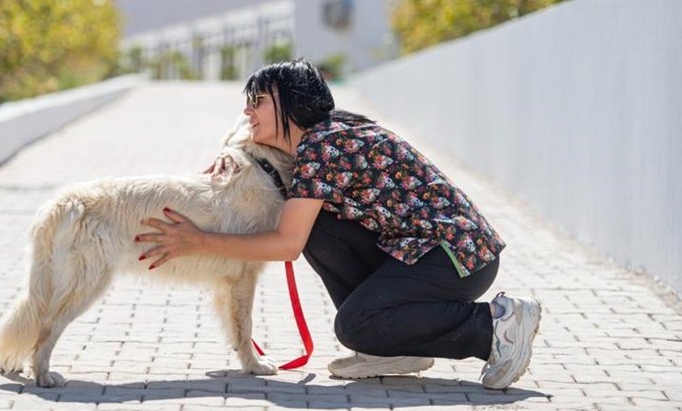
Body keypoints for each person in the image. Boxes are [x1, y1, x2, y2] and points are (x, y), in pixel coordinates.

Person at [135, 58, 541, 389]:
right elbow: (241, 133)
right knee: (319, 228)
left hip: (456, 257)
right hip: (421, 251)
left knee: (355, 325)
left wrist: (199, 240)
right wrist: (233, 154)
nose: (247, 110)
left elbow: (285, 244)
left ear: (289, 106)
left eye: (257, 101)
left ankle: (494, 326)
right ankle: (392, 348)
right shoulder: (324, 135)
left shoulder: (323, 147)